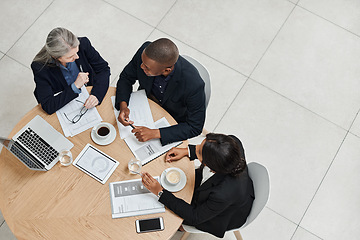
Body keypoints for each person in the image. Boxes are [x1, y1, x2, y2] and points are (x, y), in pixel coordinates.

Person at [141, 133, 255, 238]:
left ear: (212, 166)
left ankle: (182, 227)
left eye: (199, 152)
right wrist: (187, 151)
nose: (196, 148)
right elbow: (210, 149)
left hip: (223, 216)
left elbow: (195, 217)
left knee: (173, 216)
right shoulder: (232, 143)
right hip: (227, 193)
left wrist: (160, 192)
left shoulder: (222, 194)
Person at [115, 38, 206, 145]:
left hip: (171, 119)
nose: (141, 66)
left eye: (147, 68)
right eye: (143, 63)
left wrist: (154, 133)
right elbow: (126, 77)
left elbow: (195, 127)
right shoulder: (145, 54)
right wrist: (123, 105)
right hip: (144, 103)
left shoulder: (194, 84)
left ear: (167, 70)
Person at [31, 27, 110, 115]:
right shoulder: (40, 67)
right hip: (64, 102)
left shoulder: (83, 44)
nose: (77, 57)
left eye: (77, 51)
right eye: (70, 57)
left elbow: (103, 69)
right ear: (56, 57)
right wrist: (75, 86)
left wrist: (97, 95)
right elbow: (48, 106)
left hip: (89, 93)